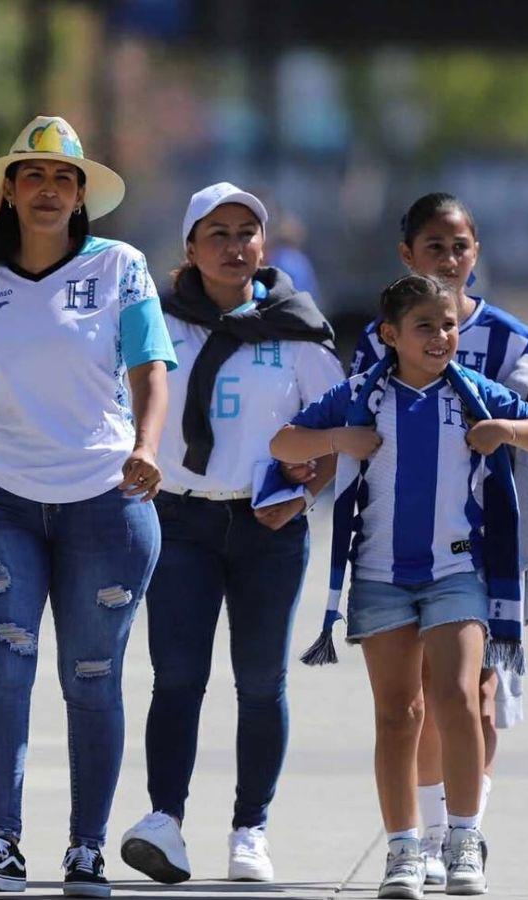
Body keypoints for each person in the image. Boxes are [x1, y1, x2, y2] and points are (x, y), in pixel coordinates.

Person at [0, 115, 176, 898]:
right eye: (33, 177)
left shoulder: (120, 268)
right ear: (8, 194)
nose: (49, 190)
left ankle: (86, 850)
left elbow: (151, 370)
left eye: (64, 179)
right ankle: (0, 844)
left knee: (92, 676)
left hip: (106, 500)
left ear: (82, 195)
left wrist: (148, 446)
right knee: (3, 672)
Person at [271, 274, 528, 899]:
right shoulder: (360, 397)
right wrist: (335, 440)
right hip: (379, 578)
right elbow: (282, 441)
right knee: (398, 715)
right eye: (425, 326)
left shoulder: (477, 394)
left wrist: (507, 432)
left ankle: (462, 840)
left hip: (457, 573)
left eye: (450, 324)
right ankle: (403, 849)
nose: (441, 336)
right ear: (390, 336)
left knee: (457, 699)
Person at [349, 193, 528, 883]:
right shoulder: (380, 339)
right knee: (416, 694)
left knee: (474, 691)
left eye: (459, 246)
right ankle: (425, 833)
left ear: (476, 252)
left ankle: (465, 832)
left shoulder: (508, 338)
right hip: (401, 545)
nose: (449, 258)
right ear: (407, 256)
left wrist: (512, 447)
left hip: (486, 544)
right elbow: (347, 420)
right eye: (434, 246)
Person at [116, 183, 340, 884]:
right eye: (218, 233)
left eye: (247, 232)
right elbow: (116, 405)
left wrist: (307, 489)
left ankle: (250, 829)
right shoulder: (155, 320)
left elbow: (334, 425)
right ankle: (165, 821)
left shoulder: (296, 326)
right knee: (177, 677)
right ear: (189, 247)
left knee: (260, 681)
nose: (235, 246)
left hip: (267, 525)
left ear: (265, 248)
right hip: (179, 520)